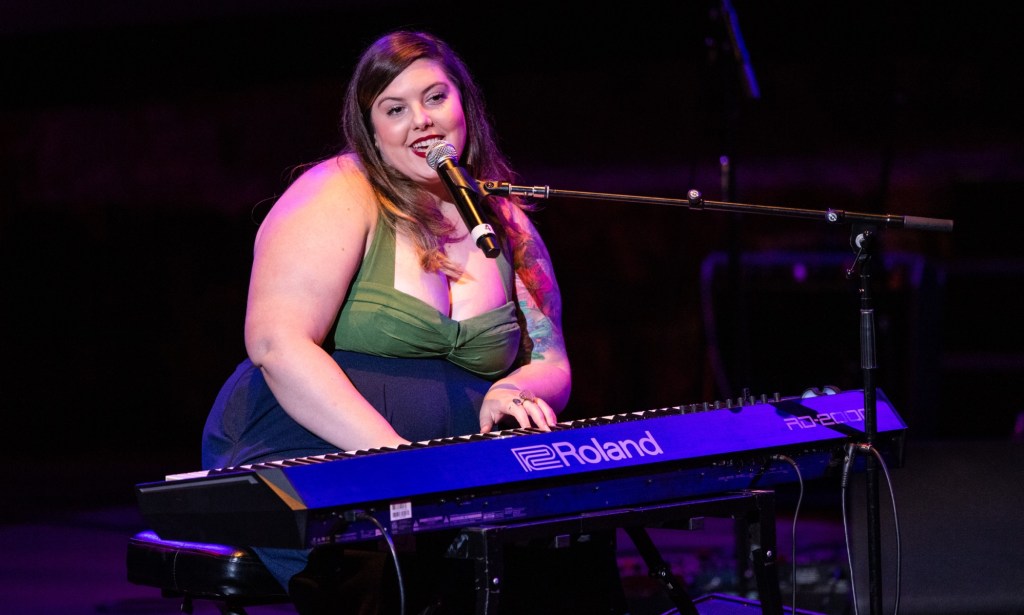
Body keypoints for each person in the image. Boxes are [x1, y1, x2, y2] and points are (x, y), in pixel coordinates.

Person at [201, 30, 629, 615]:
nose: (421, 121)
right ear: (371, 129)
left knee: (566, 554)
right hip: (315, 445)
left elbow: (549, 359)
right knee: (389, 569)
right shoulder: (339, 191)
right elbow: (277, 344)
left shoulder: (504, 222)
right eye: (394, 109)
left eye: (434, 98)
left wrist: (514, 387)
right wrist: (403, 463)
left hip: (453, 468)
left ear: (464, 106)